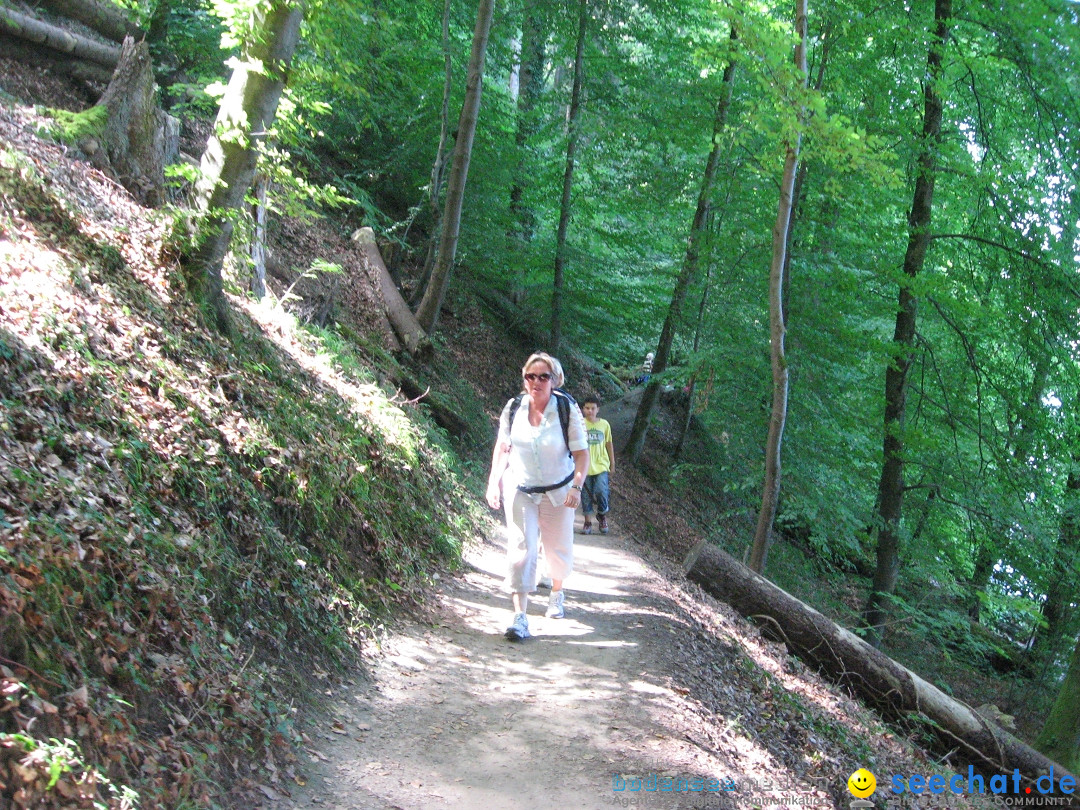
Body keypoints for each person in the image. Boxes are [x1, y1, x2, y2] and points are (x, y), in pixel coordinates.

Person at [486, 352, 589, 641]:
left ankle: (557, 591)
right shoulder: (514, 407)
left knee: (556, 547)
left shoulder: (567, 408)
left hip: (559, 490)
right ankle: (520, 617)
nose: (537, 381)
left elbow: (582, 455)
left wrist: (576, 487)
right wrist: (494, 481)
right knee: (521, 548)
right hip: (520, 488)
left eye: (544, 376)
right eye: (531, 376)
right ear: (524, 379)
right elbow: (503, 447)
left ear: (555, 380)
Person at [580, 397, 614, 535]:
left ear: (598, 409)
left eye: (593, 408)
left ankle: (602, 514)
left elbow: (609, 443)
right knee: (585, 495)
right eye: (587, 408)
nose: (590, 411)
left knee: (601, 491)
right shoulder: (580, 424)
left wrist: (612, 463)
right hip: (584, 465)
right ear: (583, 409)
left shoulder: (604, 424)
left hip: (601, 464)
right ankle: (587, 522)